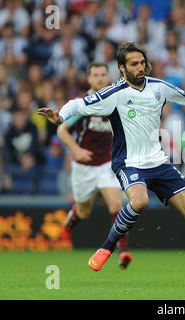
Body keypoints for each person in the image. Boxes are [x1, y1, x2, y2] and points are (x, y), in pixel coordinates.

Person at [38, 42, 185, 286]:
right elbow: (79, 104)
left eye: (142, 63)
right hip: (129, 163)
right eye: (134, 64)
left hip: (159, 162)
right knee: (139, 201)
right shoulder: (114, 93)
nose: (141, 67)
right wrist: (61, 115)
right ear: (122, 68)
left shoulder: (158, 87)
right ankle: (106, 248)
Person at [57, 62, 132, 269]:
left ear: (107, 78)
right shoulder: (83, 103)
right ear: (89, 79)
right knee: (84, 211)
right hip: (84, 165)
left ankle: (123, 251)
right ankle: (72, 220)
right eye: (95, 75)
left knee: (116, 205)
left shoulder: (115, 101)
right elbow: (62, 131)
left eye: (102, 74)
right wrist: (77, 151)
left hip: (108, 163)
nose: (99, 78)